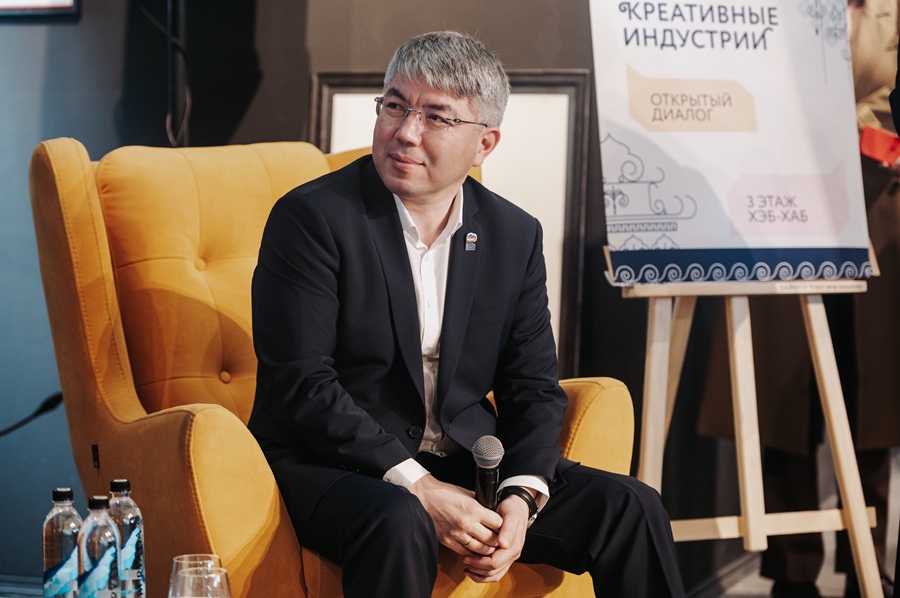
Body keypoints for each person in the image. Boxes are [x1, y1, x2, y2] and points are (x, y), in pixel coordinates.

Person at [248, 30, 685, 598]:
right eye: (394, 106)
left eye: (436, 117)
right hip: (333, 463)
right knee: (400, 519)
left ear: (484, 143)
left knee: (631, 506)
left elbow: (532, 386)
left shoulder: (513, 234)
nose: (406, 132)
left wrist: (521, 496)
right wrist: (419, 486)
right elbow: (301, 383)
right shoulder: (312, 218)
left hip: (464, 459)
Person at [698, 2, 899, 597]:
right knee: (780, 405)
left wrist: (849, 128)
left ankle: (868, 566)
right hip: (779, 216)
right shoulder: (769, 19)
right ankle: (792, 573)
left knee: (872, 405)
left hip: (877, 219)